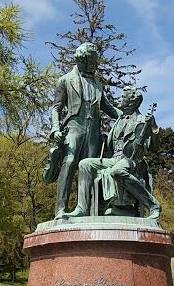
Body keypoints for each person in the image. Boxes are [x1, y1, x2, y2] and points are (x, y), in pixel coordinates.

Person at [45, 43, 120, 219]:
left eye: (96, 61)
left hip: (93, 131)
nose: (94, 65)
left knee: (89, 168)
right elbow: (56, 108)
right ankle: (60, 209)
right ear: (81, 60)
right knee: (69, 162)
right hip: (73, 127)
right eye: (91, 61)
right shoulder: (65, 80)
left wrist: (130, 115)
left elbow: (110, 108)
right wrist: (55, 128)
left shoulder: (98, 85)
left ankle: (87, 210)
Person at [75, 86, 161, 219]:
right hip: (114, 158)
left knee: (117, 171)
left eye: (123, 97)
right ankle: (82, 209)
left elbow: (154, 147)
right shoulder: (119, 120)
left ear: (131, 101)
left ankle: (153, 204)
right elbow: (111, 144)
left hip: (132, 160)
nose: (119, 99)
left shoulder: (143, 121)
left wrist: (154, 128)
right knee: (84, 164)